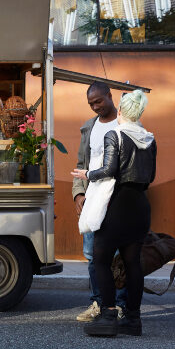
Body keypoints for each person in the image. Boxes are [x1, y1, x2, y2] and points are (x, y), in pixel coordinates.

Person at [71, 89, 156, 337]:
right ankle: (133, 320)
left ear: (119, 111)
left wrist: (87, 175)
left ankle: (108, 316)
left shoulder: (114, 134)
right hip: (140, 206)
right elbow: (150, 177)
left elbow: (108, 170)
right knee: (132, 264)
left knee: (100, 259)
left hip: (117, 206)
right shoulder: (150, 138)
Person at [72, 82, 127, 322]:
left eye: (99, 101)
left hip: (117, 200)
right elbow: (81, 165)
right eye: (91, 104)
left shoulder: (126, 125)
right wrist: (78, 194)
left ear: (110, 96)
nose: (95, 107)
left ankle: (120, 305)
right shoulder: (89, 128)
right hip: (92, 198)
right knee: (92, 254)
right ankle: (98, 303)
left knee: (118, 255)